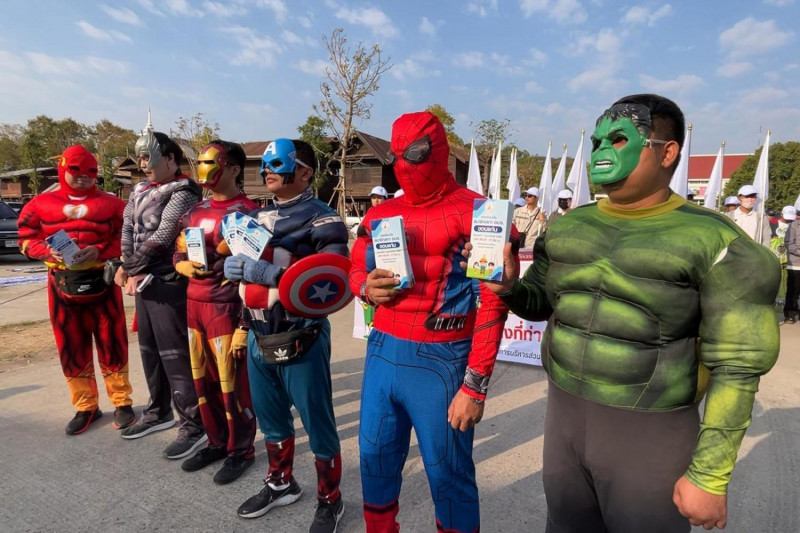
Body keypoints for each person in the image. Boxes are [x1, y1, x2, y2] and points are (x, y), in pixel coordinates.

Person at [473, 94, 780, 532]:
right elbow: (543, 304)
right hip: (563, 420)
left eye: (618, 139)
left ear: (667, 151)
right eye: (598, 140)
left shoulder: (716, 241)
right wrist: (509, 288)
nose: (600, 151)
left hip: (652, 430)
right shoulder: (568, 228)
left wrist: (710, 475)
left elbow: (737, 368)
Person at [349, 111, 511, 533]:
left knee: (449, 475)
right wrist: (365, 288)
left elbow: (492, 303)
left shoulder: (480, 211)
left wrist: (475, 385)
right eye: (398, 154)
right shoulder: (380, 214)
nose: (405, 164)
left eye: (416, 154)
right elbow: (354, 265)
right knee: (374, 461)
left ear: (438, 151)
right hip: (383, 350)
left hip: (441, 359)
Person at [226, 139, 348, 533]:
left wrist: (276, 276)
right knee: (271, 420)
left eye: (276, 163)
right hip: (260, 332)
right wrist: (232, 270)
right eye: (263, 165)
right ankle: (281, 482)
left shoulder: (323, 218)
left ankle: (331, 499)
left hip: (302, 335)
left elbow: (334, 278)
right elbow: (247, 270)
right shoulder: (255, 217)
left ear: (305, 171)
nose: (267, 171)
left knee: (318, 423)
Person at [17, 145, 134, 435]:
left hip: (103, 282)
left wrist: (101, 250)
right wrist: (46, 251)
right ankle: (85, 406)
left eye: (91, 171)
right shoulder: (39, 204)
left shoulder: (113, 204)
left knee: (112, 340)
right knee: (71, 344)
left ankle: (122, 401)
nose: (83, 177)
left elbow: (127, 237)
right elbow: (25, 237)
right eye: (76, 171)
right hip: (61, 285)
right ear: (62, 168)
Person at [114, 126, 206, 460]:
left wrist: (132, 267)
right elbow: (128, 227)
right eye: (138, 157)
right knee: (149, 352)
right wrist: (127, 264)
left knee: (175, 356)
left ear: (169, 158)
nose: (141, 164)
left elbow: (166, 233)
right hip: (144, 283)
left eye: (146, 156)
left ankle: (194, 424)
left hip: (170, 282)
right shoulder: (139, 189)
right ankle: (158, 411)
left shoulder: (184, 190)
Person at [173, 140, 258, 484]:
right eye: (201, 161)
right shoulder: (193, 212)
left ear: (234, 168)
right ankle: (215, 441)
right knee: (202, 381)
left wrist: (245, 323)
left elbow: (255, 270)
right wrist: (183, 268)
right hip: (193, 306)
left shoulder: (250, 212)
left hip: (226, 307)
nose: (204, 167)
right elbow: (177, 253)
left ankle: (241, 450)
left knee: (232, 385)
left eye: (211, 161)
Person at [783, 206, 800, 324]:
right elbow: (789, 244)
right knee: (793, 290)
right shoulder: (794, 225)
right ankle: (790, 313)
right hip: (795, 264)